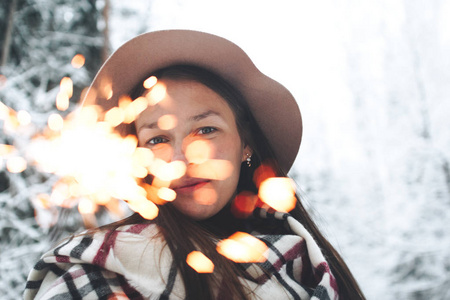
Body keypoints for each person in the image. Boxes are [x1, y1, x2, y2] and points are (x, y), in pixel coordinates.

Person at [24, 30, 365, 299]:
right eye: (157, 140)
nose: (180, 159)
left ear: (245, 143)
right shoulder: (97, 272)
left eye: (205, 130)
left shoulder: (310, 264)